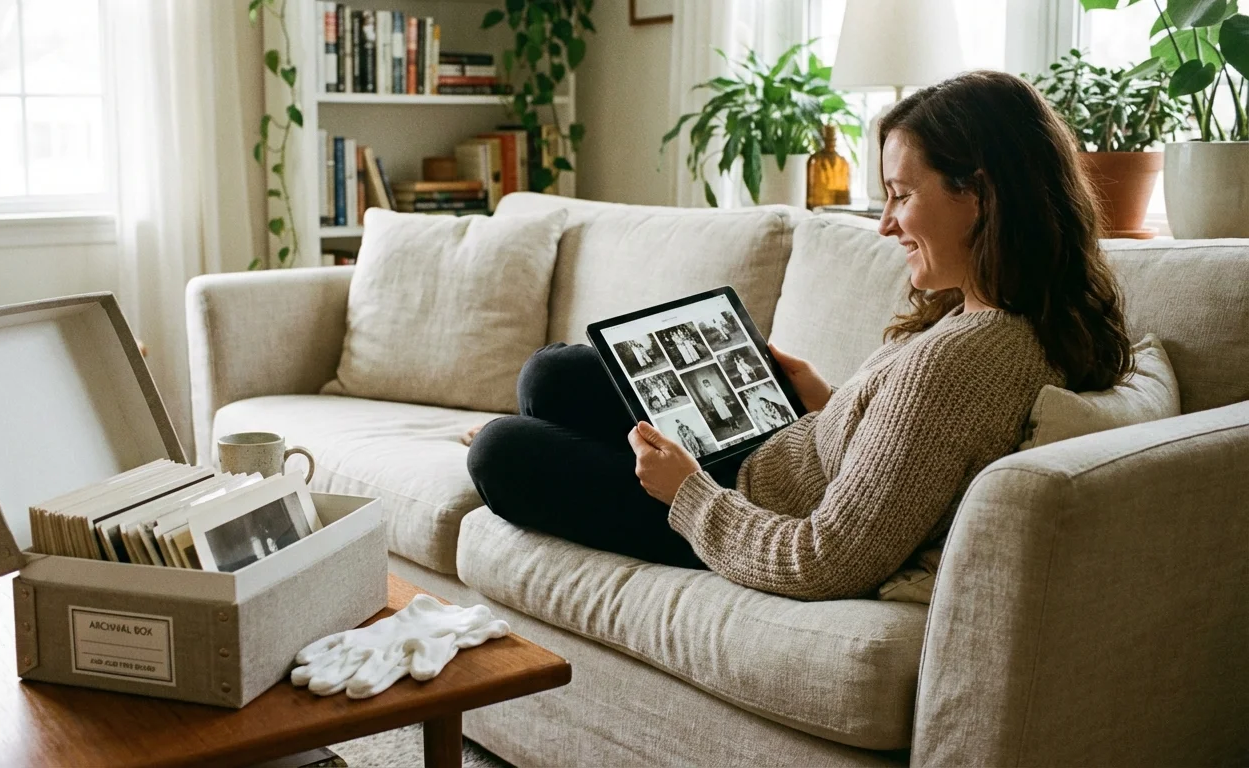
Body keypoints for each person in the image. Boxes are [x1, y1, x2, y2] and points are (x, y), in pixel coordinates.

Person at [464, 71, 1132, 600]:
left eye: (900, 194)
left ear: (979, 194)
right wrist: (824, 398)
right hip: (772, 452)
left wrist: (686, 492)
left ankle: (572, 453)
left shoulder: (963, 364)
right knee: (550, 375)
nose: (885, 224)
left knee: (501, 450)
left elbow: (823, 560)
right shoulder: (1009, 314)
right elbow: (908, 451)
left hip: (742, 503)